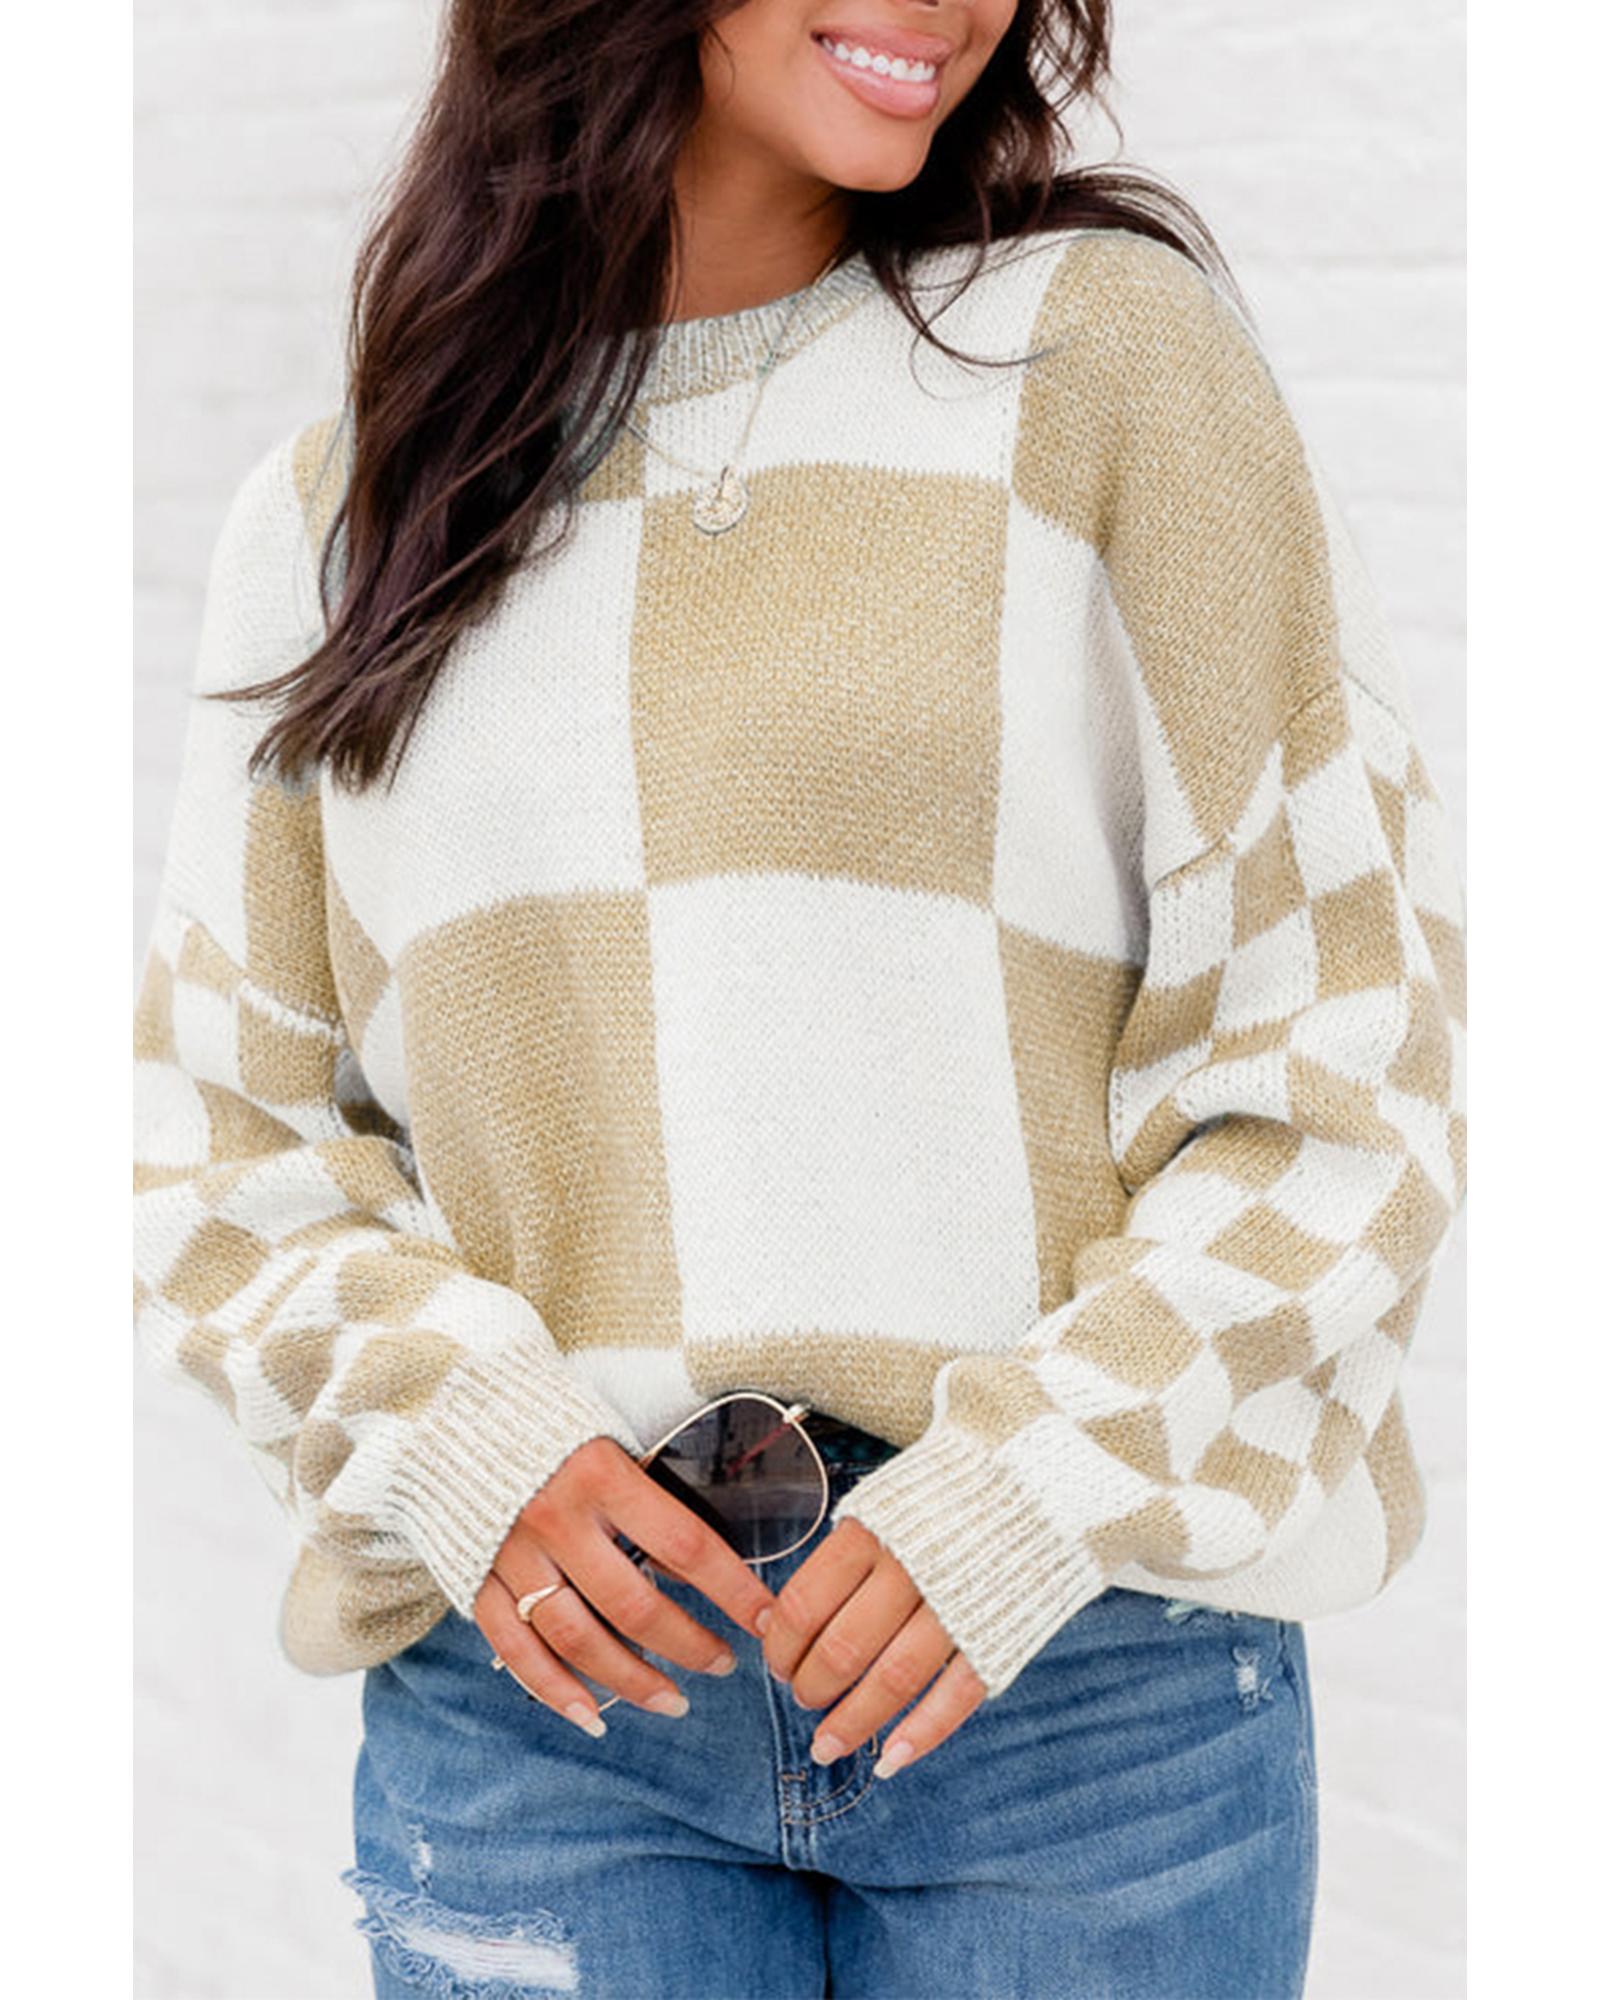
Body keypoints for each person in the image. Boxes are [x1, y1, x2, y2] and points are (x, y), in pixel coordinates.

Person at [132, 2, 1467, 1994]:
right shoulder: (352, 507)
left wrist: (1023, 1496)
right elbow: (225, 1142)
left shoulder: (1107, 363)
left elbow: (1341, 1053)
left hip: (1081, 1689)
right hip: (549, 1721)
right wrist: (466, 1442)